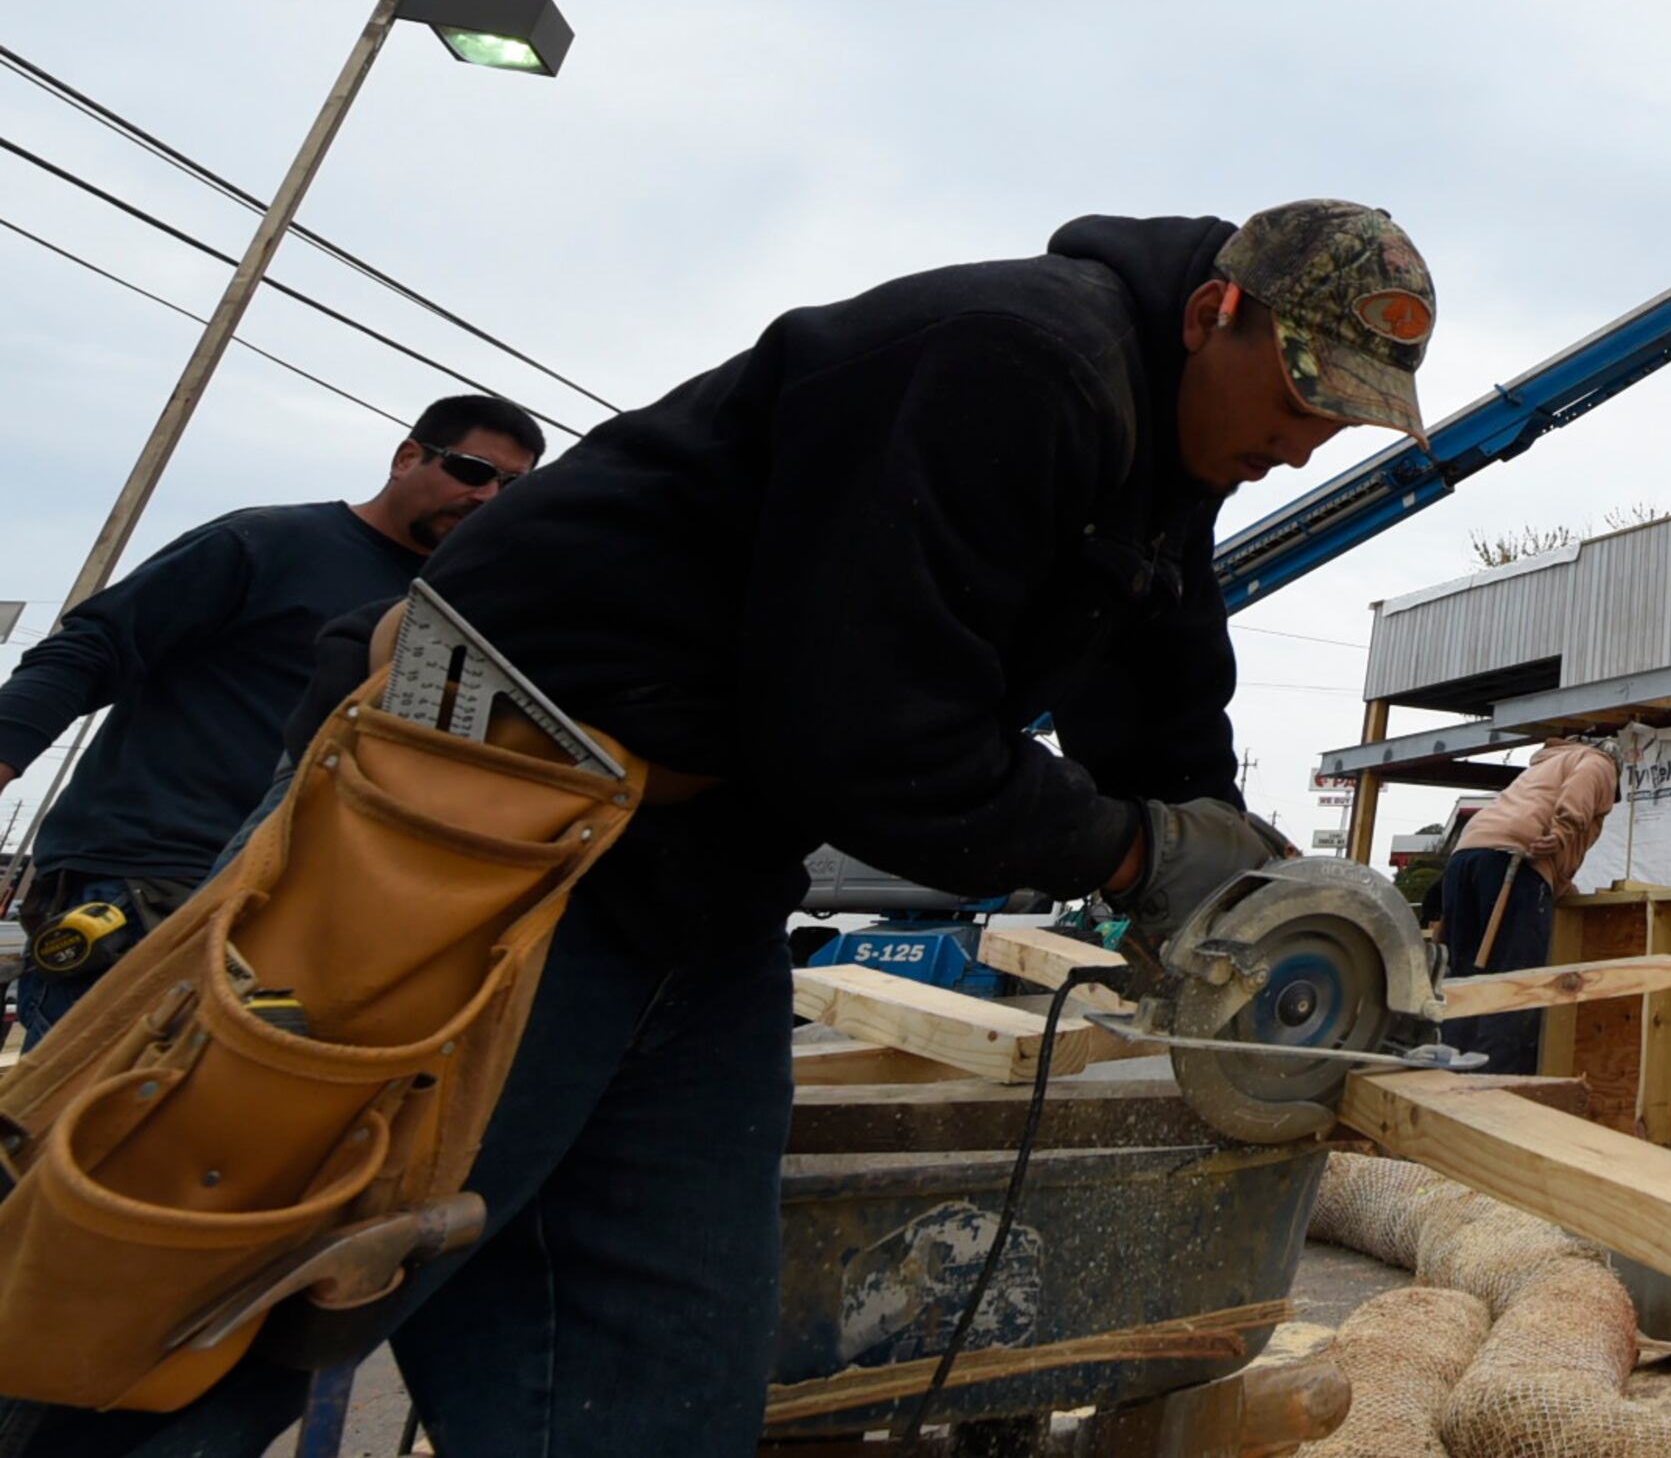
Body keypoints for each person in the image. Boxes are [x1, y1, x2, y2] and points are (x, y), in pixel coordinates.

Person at [8, 203, 1432, 1458]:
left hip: (694, 884)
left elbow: (1163, 698)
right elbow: (875, 737)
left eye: (1343, 419)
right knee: (249, 1283)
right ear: (1212, 314)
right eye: (1303, 395)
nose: (1304, 443)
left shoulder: (1163, 464)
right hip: (478, 832)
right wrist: (1130, 856)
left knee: (659, 1373)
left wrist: (1228, 873)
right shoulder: (1012, 359)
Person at [0, 395, 542, 1036]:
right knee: (88, 1119)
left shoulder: (457, 617)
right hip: (154, 885)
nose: (486, 497)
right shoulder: (271, 542)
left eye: (511, 487)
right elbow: (95, 648)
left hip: (303, 915)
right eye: (473, 471)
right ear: (407, 458)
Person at [1437, 735, 1621, 1073]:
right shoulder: (1598, 761)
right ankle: (1493, 1081)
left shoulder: (1543, 768)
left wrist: (1555, 885)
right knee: (1516, 981)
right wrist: (1564, 831)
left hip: (1466, 858)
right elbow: (1585, 783)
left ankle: (1447, 1067)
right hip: (1515, 860)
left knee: (1466, 974)